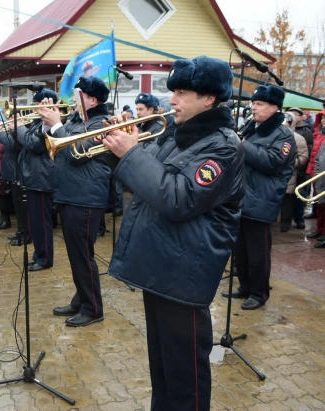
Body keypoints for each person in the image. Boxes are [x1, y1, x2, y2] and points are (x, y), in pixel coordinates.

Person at [104, 56, 244, 410]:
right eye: (173, 92)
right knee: (163, 369)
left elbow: (178, 197)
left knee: (186, 379)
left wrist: (132, 154)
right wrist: (119, 148)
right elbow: (146, 173)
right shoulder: (179, 136)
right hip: (161, 267)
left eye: (182, 92)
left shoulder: (223, 146)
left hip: (185, 274)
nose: (173, 100)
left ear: (209, 98)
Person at [37, 76, 111, 327]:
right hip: (71, 194)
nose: (73, 100)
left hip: (86, 198)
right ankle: (81, 300)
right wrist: (49, 125)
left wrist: (58, 125)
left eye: (79, 95)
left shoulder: (103, 124)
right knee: (76, 254)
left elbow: (75, 153)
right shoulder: (80, 121)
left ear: (92, 100)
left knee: (83, 256)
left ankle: (92, 309)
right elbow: (53, 148)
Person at [225, 85, 296, 310]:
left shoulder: (283, 134)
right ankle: (245, 286)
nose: (253, 107)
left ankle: (259, 293)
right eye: (253, 103)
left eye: (259, 104)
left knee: (258, 253)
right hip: (242, 197)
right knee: (241, 251)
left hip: (262, 200)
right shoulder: (252, 128)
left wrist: (243, 145)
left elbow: (273, 162)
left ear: (274, 108)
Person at [15, 89, 56, 271]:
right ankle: (38, 254)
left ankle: (45, 258)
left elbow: (34, 145)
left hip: (42, 178)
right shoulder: (38, 122)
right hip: (34, 177)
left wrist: (18, 127)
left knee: (42, 222)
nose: (38, 107)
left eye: (41, 104)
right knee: (36, 221)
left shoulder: (49, 124)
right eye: (38, 104)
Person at [279, 112, 309, 232]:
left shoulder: (298, 138)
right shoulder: (274, 135)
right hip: (274, 174)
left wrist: (290, 163)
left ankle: (285, 223)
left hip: (290, 175)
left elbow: (303, 157)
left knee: (287, 201)